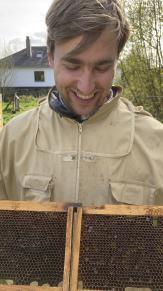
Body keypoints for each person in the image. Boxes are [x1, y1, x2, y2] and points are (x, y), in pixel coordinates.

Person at [0, 0, 163, 206]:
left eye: (102, 68)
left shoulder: (157, 144)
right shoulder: (10, 142)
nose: (86, 87)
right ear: (50, 56)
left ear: (116, 60)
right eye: (72, 65)